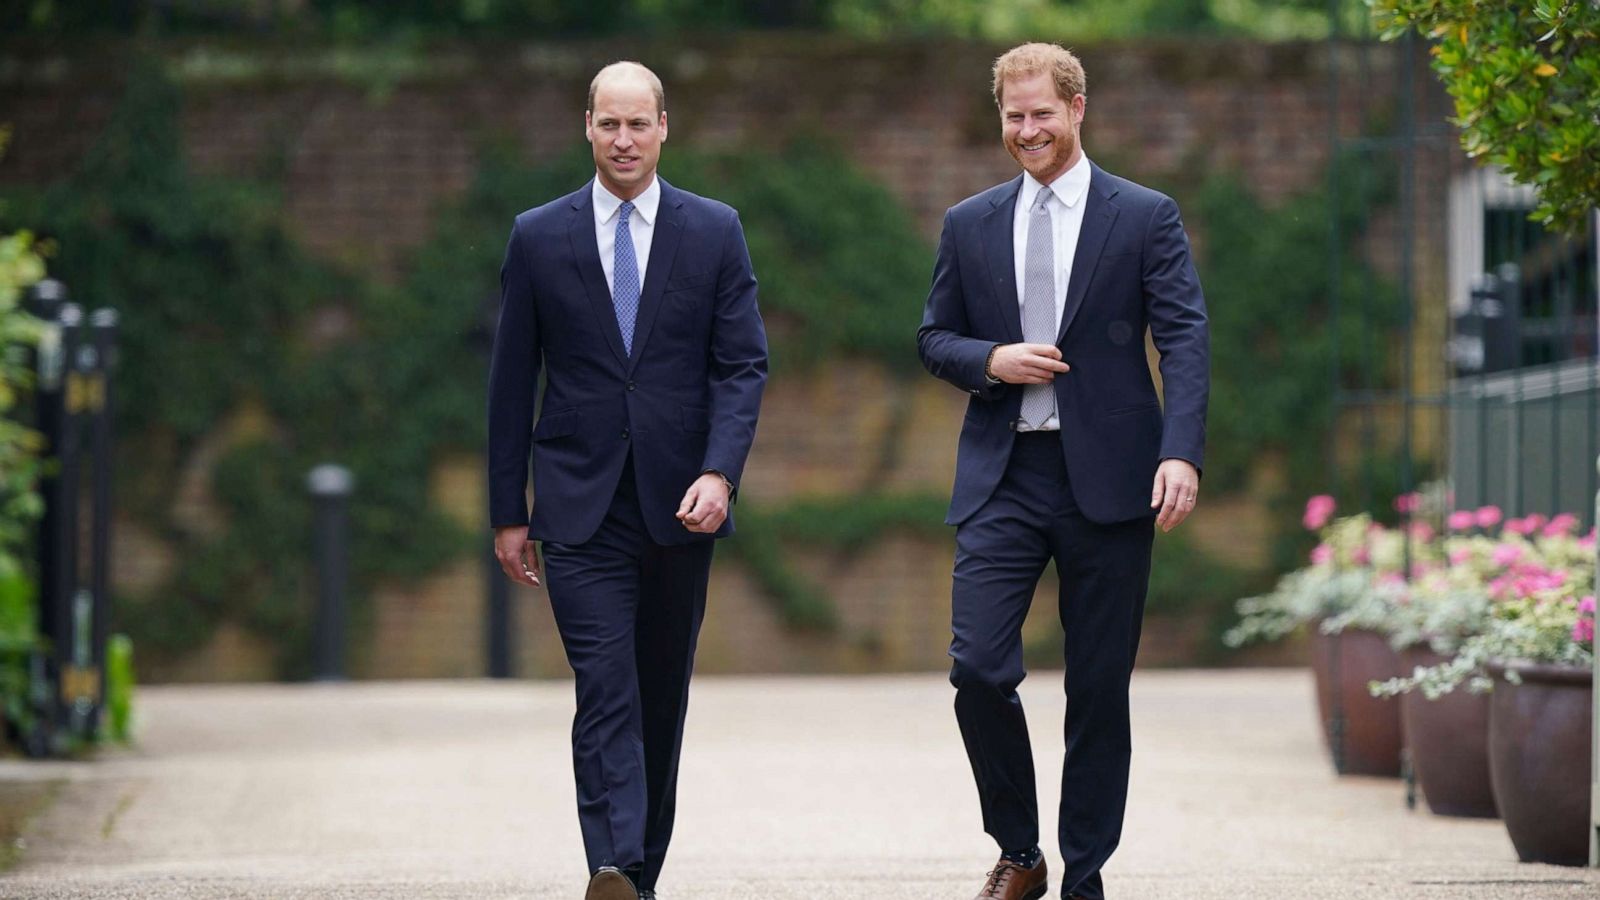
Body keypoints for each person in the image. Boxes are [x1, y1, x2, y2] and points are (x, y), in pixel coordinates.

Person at [917, 42, 1209, 900]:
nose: (1027, 129)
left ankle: (1085, 874)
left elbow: (1185, 338)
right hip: (1003, 474)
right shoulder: (968, 223)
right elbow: (933, 338)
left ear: (1078, 109)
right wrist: (992, 358)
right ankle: (1020, 849)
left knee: (1097, 688)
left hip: (1113, 479)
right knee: (977, 668)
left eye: (1042, 112)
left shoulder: (1145, 214)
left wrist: (1180, 451)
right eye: (1014, 115)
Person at [487, 60, 767, 900]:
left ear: (663, 128)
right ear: (586, 127)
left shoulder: (714, 230)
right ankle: (613, 865)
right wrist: (509, 510)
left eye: (638, 123)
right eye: (608, 124)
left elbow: (742, 366)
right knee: (603, 685)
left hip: (681, 505)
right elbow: (511, 380)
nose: (623, 140)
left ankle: (636, 873)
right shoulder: (539, 235)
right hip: (577, 505)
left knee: (658, 697)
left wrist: (721, 473)